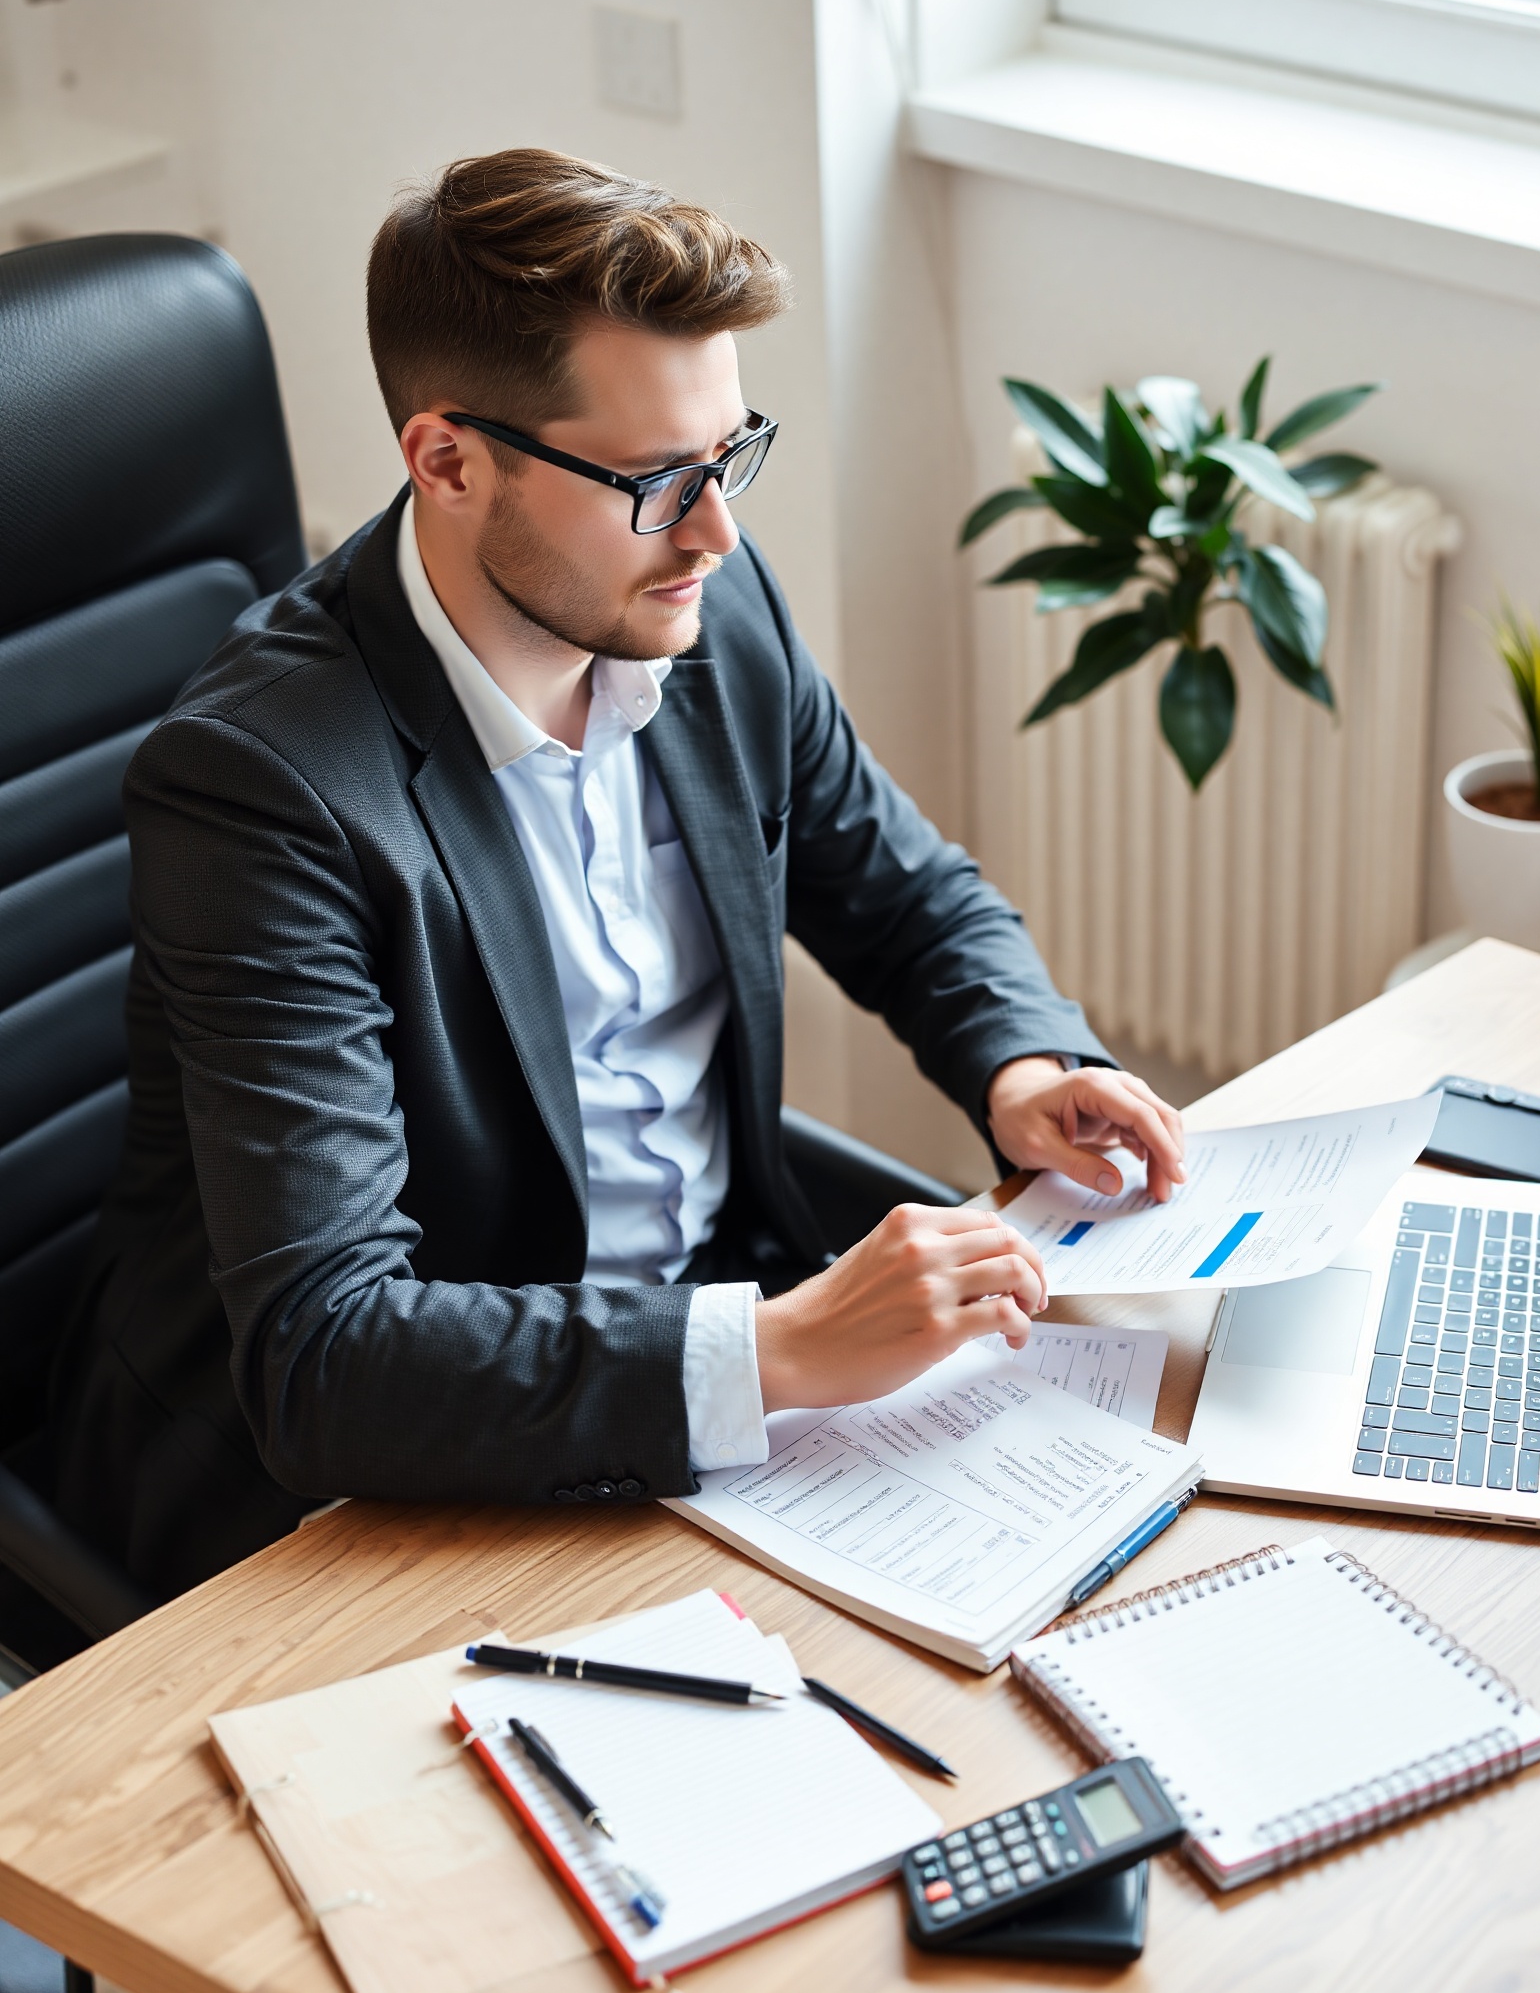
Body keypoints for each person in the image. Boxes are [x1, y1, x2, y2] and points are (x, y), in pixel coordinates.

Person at [29, 148, 1185, 1599]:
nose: (717, 530)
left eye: (726, 455)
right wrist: (780, 1352)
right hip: (361, 1485)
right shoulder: (263, 788)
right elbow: (327, 1352)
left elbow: (899, 890)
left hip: (706, 1348)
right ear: (448, 461)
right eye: (653, 481)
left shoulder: (699, 600)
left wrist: (1019, 1063)